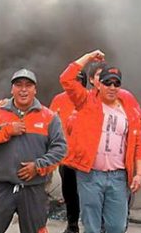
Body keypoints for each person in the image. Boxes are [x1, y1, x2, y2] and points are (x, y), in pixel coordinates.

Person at [60, 51, 141, 233]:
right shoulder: (86, 102)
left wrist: (139, 174)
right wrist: (89, 57)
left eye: (116, 83)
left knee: (117, 226)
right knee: (92, 227)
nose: (112, 87)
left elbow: (137, 144)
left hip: (118, 176)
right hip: (90, 175)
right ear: (98, 84)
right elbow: (66, 79)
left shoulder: (128, 110)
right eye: (108, 82)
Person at [0, 68, 67, 233]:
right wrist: (7, 130)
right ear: (12, 89)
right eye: (18, 85)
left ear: (35, 89)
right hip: (1, 187)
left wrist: (38, 166)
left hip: (34, 189)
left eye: (28, 85)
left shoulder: (49, 117)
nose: (23, 89)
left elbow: (60, 149)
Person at [49, 65, 89, 233]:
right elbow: (48, 124)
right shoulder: (58, 99)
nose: (75, 84)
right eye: (73, 80)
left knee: (89, 194)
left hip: (87, 157)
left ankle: (92, 225)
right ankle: (72, 225)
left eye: (79, 81)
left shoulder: (91, 99)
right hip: (65, 157)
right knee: (69, 192)